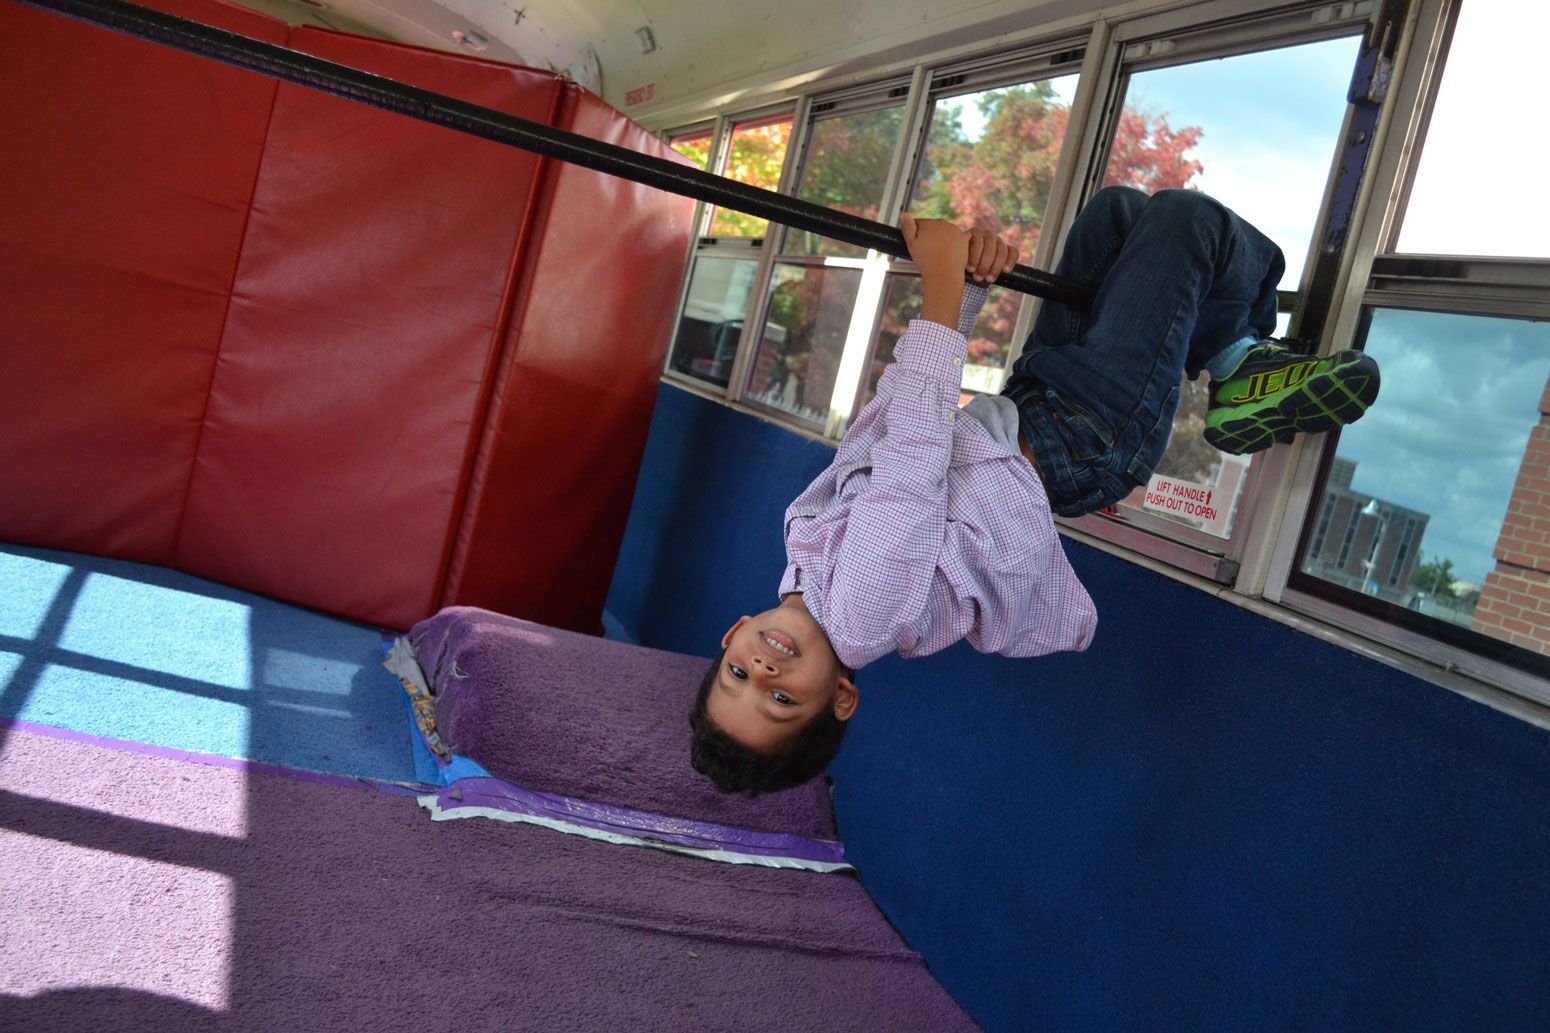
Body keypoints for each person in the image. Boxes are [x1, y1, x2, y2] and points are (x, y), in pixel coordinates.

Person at [689, 186, 1380, 794]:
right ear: (840, 698)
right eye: (781, 697)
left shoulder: (803, 566)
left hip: (1029, 410)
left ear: (729, 637)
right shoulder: (859, 615)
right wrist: (938, 291)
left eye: (738, 675)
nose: (763, 666)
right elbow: (909, 468)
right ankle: (1238, 360)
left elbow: (886, 425)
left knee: (1114, 217)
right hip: (1080, 436)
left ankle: (1232, 358)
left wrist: (966, 289)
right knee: (1186, 221)